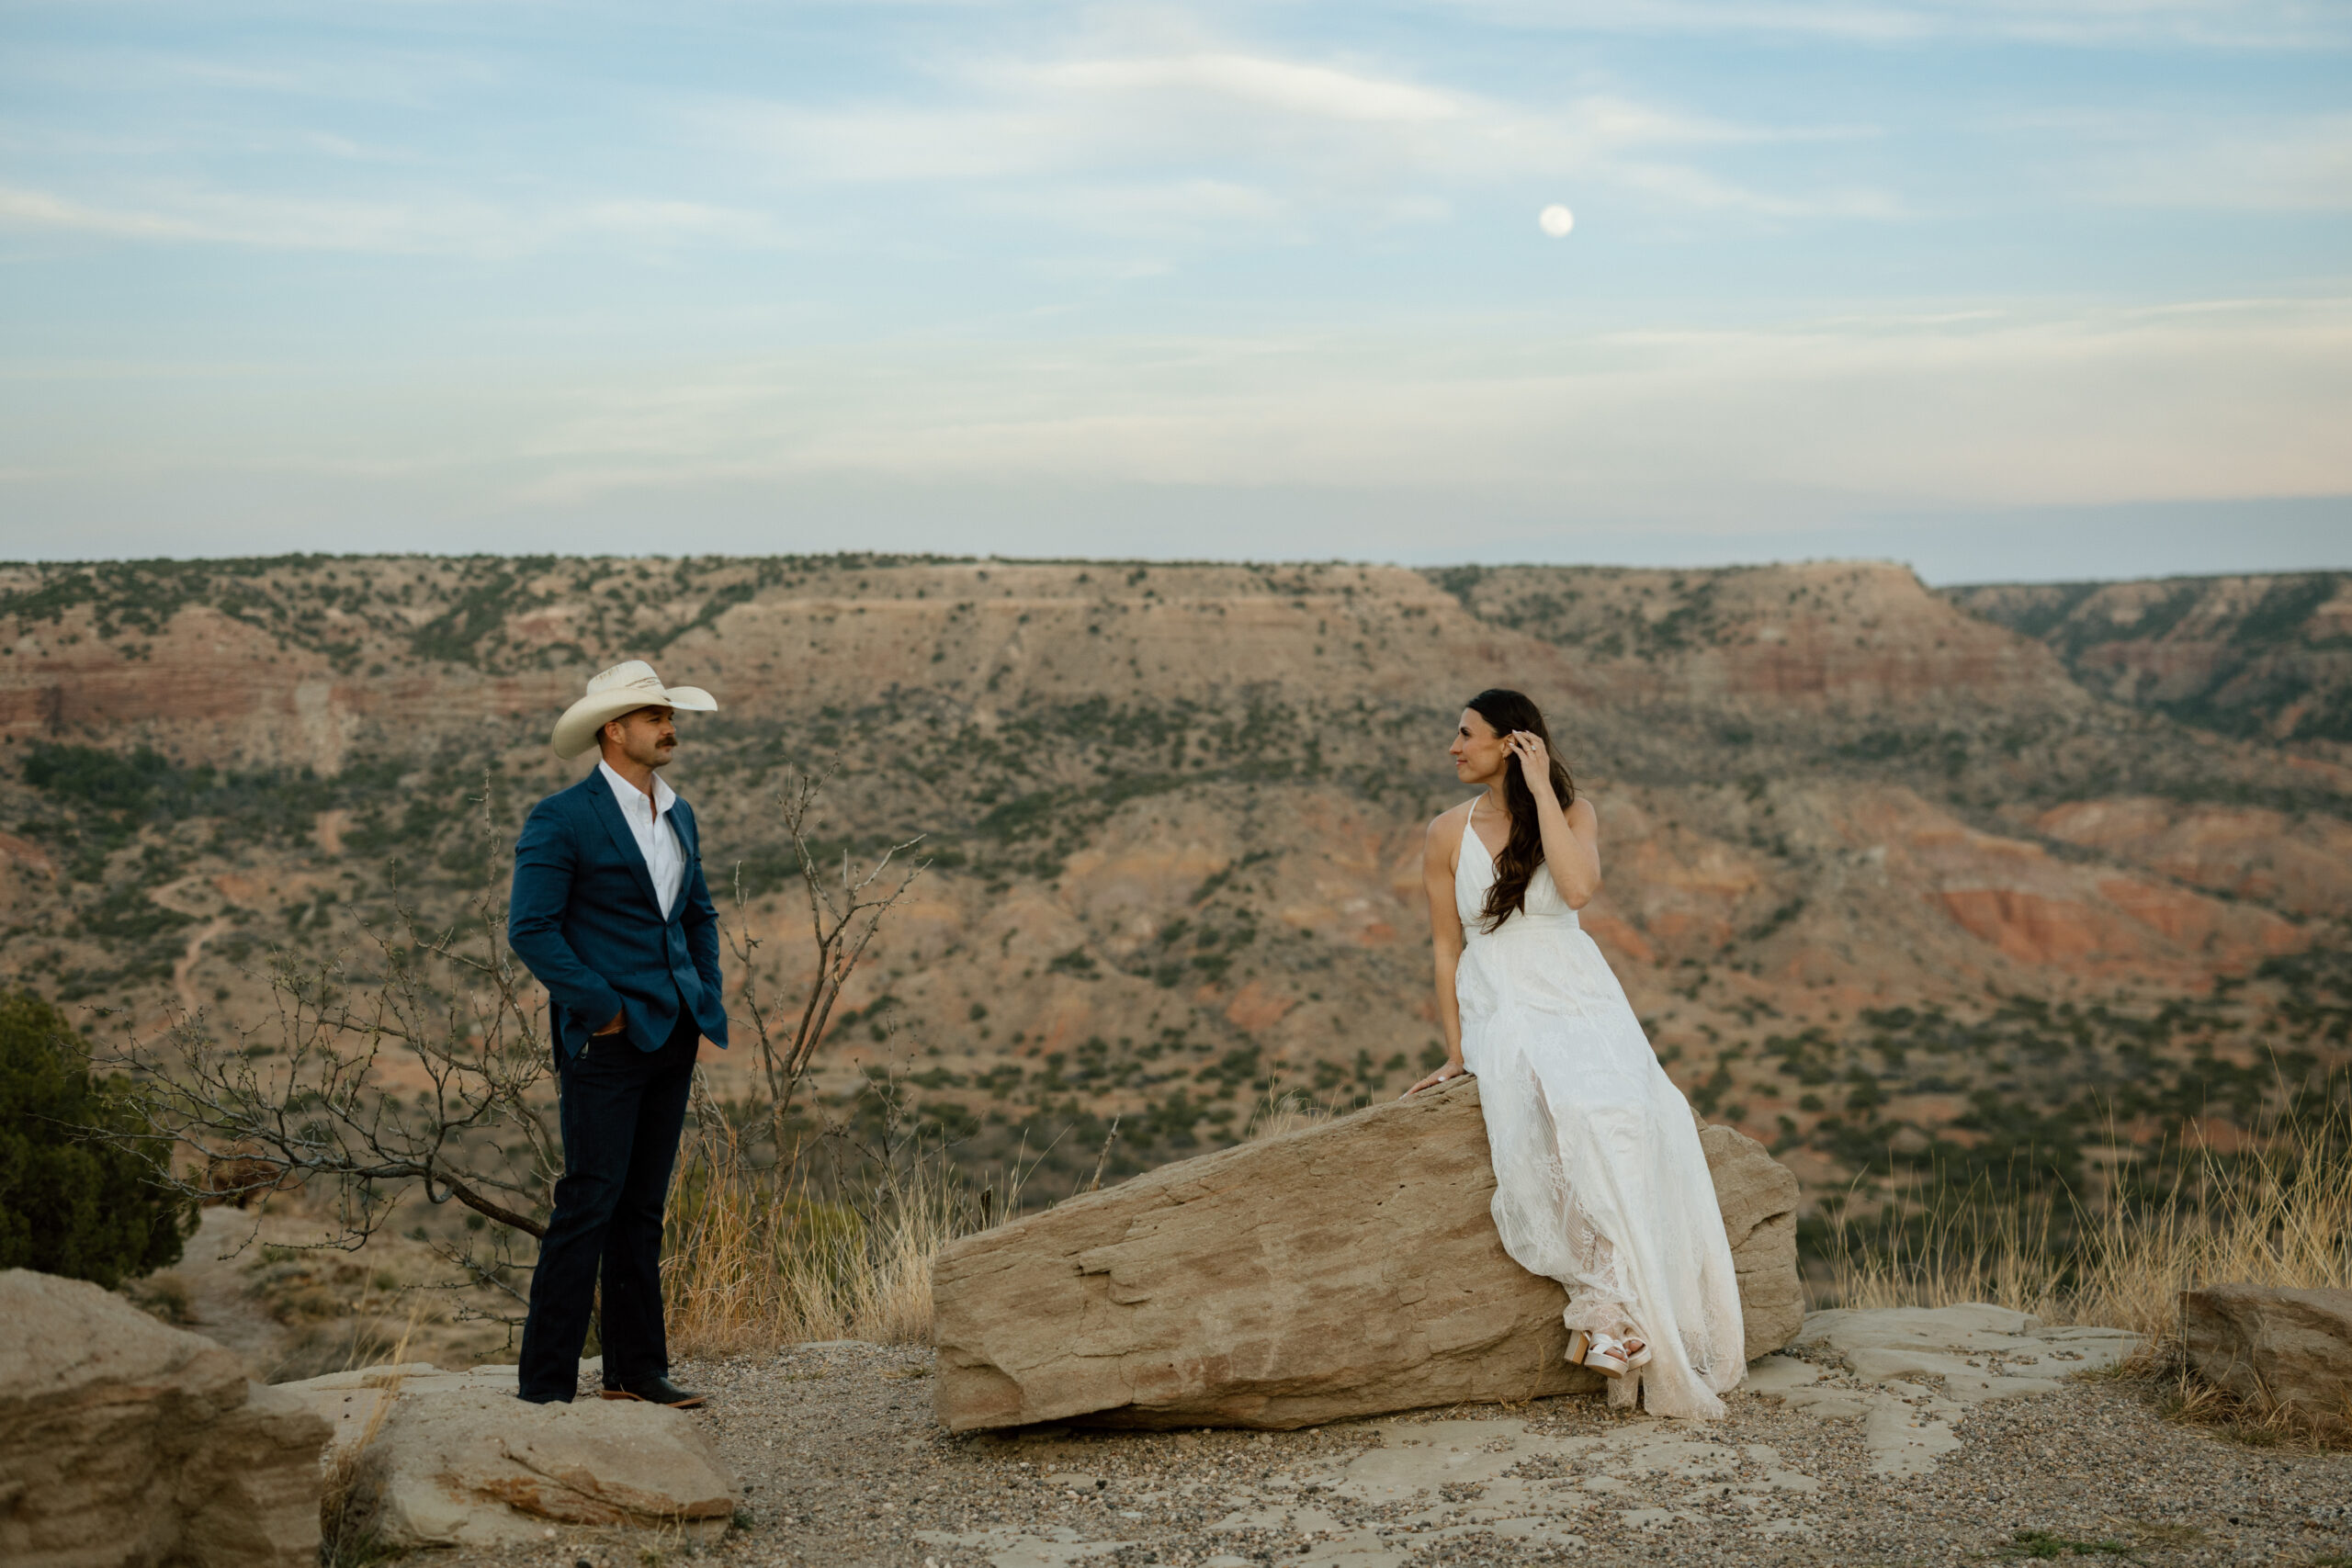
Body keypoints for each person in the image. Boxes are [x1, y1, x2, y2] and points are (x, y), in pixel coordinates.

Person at [1404, 687, 1744, 1418]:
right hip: (1501, 991)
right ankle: (1609, 1316)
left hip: (1581, 989)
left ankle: (1621, 1322)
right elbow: (1443, 945)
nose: (1454, 747)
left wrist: (1538, 791)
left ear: (1512, 743)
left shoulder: (1573, 813)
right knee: (1558, 1116)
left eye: (1467, 735)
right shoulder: (1443, 832)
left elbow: (1581, 886)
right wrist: (1456, 1053)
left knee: (1636, 1112)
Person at [507, 660, 729, 1407]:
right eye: (655, 717)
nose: (670, 729)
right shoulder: (562, 817)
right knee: (588, 1202)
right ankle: (545, 1384)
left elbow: (698, 915)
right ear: (614, 729)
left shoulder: (679, 811)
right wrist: (600, 1008)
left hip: (672, 1032)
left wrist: (703, 996)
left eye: (671, 716)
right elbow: (531, 928)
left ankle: (636, 1372)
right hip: (604, 1040)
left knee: (641, 1207)